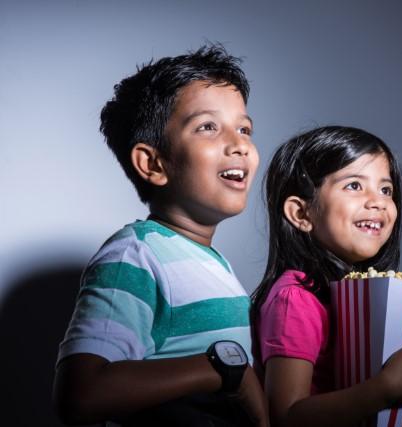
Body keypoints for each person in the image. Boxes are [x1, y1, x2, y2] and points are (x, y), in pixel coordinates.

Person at [53, 44, 267, 427]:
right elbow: (82, 395)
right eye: (208, 127)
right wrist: (220, 368)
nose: (240, 145)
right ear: (153, 163)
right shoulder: (135, 254)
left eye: (244, 128)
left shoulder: (211, 263)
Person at [251, 126, 402, 427]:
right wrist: (385, 389)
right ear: (301, 213)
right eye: (354, 185)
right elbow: (286, 416)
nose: (377, 201)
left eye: (386, 189)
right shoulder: (296, 297)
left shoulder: (359, 296)